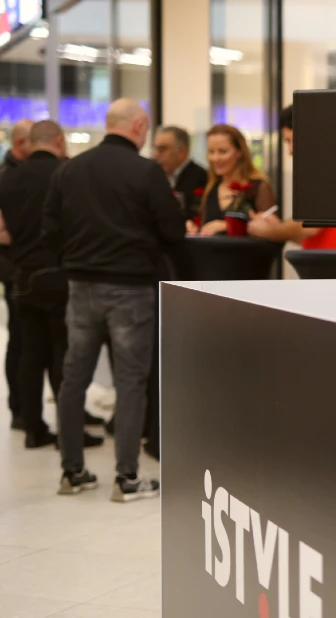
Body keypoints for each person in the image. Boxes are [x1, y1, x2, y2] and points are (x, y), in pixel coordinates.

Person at [42, 98, 185, 500]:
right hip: (131, 289)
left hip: (81, 287)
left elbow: (48, 230)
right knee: (131, 381)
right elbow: (172, 231)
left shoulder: (68, 170)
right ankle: (126, 478)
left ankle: (72, 473)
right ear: (139, 126)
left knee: (73, 381)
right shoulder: (146, 172)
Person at [0, 120, 108, 450]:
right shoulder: (67, 174)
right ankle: (69, 433)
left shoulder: (9, 178)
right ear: (59, 141)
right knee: (65, 356)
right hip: (60, 275)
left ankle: (33, 428)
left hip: (24, 277)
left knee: (30, 355)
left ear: (29, 143)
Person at [245, 105, 336, 249]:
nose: (290, 151)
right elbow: (311, 231)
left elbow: (309, 226)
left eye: (292, 140)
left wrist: (266, 230)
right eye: (287, 142)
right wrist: (279, 227)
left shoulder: (325, 170)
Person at [0, 119, 32, 429]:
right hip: (16, 271)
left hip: (25, 269)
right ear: (22, 144)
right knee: (21, 342)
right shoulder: (8, 177)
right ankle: (19, 409)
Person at [194, 124, 275, 236]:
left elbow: (273, 232)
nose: (215, 158)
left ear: (239, 152)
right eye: (211, 152)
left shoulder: (259, 187)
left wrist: (230, 226)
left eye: (223, 151)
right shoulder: (210, 189)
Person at [152, 125, 209, 210]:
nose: (155, 155)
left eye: (162, 149)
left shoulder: (201, 178)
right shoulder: (157, 176)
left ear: (182, 151)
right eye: (155, 148)